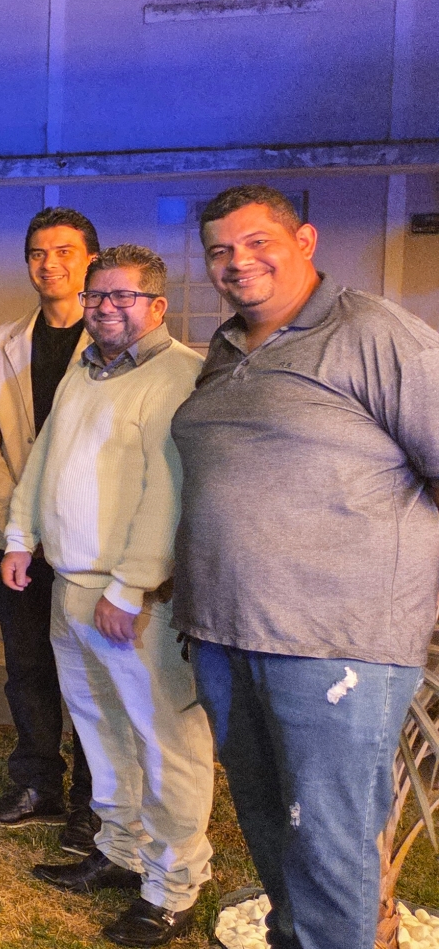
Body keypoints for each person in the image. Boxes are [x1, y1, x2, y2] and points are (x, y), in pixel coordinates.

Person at [171, 185, 439, 949]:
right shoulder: (227, 347)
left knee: (327, 846)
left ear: (306, 240)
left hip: (336, 645)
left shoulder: (376, 334)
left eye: (257, 242)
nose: (237, 262)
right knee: (272, 828)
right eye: (220, 250)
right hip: (227, 634)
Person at [3, 245, 212, 948]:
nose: (105, 308)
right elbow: (44, 457)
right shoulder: (85, 369)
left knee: (164, 741)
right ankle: (121, 851)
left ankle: (174, 887)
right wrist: (20, 535)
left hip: (133, 601)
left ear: (157, 305)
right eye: (96, 297)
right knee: (102, 731)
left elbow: (170, 493)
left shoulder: (178, 375)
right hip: (71, 586)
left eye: (123, 297)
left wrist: (130, 586)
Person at [0, 207, 100, 848]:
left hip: (90, 539)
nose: (50, 264)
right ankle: (38, 782)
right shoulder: (1, 343)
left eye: (65, 251)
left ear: (90, 259)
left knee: (93, 675)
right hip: (16, 538)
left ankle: (94, 802)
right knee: (26, 666)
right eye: (39, 253)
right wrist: (19, 522)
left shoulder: (113, 341)